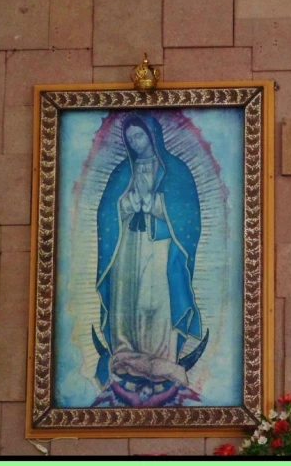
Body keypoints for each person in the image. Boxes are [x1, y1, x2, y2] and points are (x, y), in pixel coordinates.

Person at [94, 113, 202, 392]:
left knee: (155, 299)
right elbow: (106, 211)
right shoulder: (122, 171)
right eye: (130, 139)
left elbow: (189, 215)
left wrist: (156, 204)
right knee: (126, 297)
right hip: (128, 246)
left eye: (139, 136)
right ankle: (125, 352)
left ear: (152, 135)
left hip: (159, 246)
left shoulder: (175, 170)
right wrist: (125, 205)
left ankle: (162, 358)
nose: (135, 142)